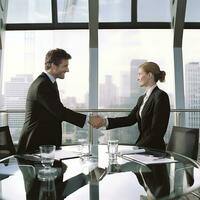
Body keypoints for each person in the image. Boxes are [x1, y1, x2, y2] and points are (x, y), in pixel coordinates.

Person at [17, 48, 92, 153]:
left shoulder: (50, 82)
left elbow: (55, 112)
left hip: (45, 143)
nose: (67, 70)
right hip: (35, 146)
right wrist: (88, 120)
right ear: (53, 66)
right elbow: (60, 112)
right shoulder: (42, 85)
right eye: (65, 66)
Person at [89, 62, 170, 150]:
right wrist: (104, 122)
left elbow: (157, 131)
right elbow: (130, 119)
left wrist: (138, 148)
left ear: (150, 75)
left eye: (139, 74)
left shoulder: (161, 96)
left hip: (154, 151)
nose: (137, 78)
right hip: (143, 148)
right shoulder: (142, 98)